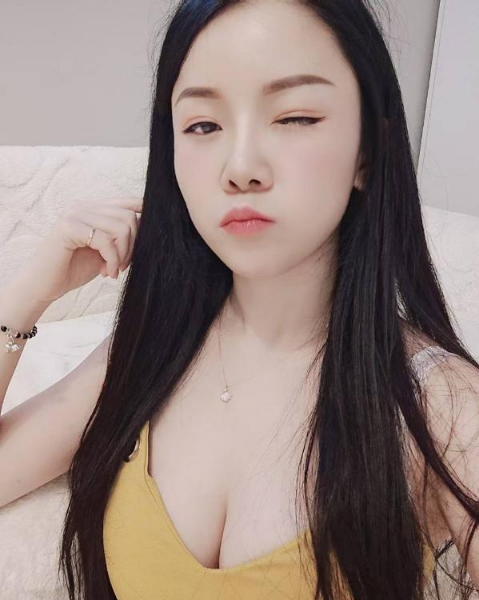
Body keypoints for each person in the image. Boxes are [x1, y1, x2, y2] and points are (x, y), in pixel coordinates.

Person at [1, 0, 478, 599]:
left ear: (367, 153)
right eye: (203, 126)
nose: (241, 167)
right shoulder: (149, 350)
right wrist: (28, 295)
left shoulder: (441, 404)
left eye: (295, 116)